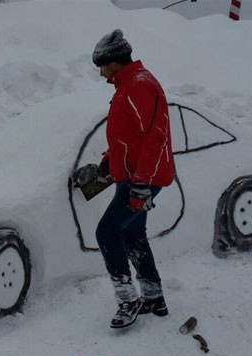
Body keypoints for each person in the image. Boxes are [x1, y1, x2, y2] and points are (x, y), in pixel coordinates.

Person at [74, 29, 175, 329]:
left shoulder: (139, 86)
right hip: (132, 175)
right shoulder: (128, 85)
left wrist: (141, 183)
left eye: (102, 67)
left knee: (107, 232)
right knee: (132, 234)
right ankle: (153, 297)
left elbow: (155, 136)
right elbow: (128, 138)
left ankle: (127, 300)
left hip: (141, 178)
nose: (101, 73)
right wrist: (107, 164)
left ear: (114, 62)